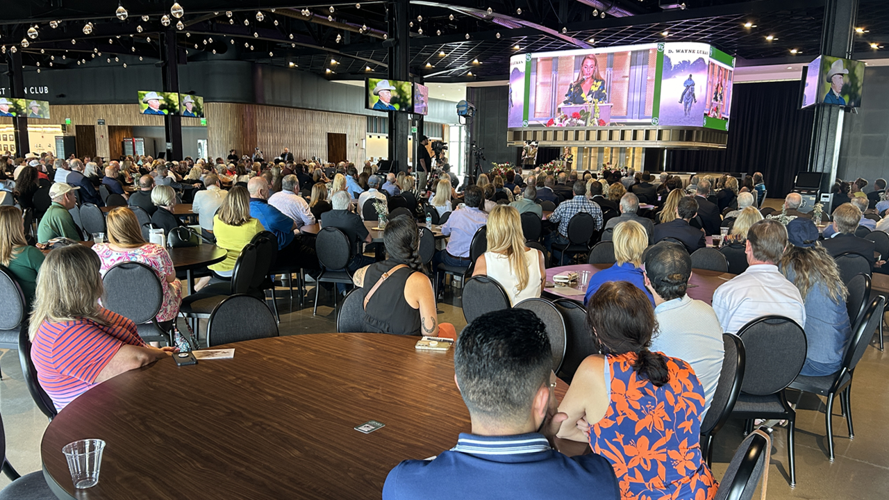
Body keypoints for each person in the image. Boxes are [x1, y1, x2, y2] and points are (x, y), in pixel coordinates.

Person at [383, 309, 620, 500]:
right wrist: (547, 447)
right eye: (552, 386)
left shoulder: (404, 484)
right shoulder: (598, 481)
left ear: (460, 384)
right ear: (541, 401)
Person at [557, 281, 717, 500]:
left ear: (596, 331)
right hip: (699, 492)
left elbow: (561, 428)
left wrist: (599, 434)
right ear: (650, 324)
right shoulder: (684, 369)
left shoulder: (595, 370)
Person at [29, 245, 175, 411]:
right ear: (83, 283)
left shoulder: (73, 315)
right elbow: (135, 359)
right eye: (96, 273)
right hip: (98, 418)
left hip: (113, 403)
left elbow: (124, 346)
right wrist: (160, 354)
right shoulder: (64, 334)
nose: (100, 276)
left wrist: (153, 351)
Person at [644, 241, 725, 419]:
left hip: (666, 426)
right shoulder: (708, 311)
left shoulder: (651, 327)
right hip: (701, 418)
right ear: (689, 278)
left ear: (646, 280)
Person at [780, 218, 852, 377]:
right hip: (839, 353)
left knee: (754, 349)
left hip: (815, 361)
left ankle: (765, 397)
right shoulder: (825, 264)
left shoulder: (787, 268)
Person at [353, 216, 442, 336]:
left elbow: (355, 277)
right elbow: (430, 333)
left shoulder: (368, 271)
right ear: (416, 244)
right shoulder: (420, 281)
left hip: (371, 348)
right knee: (448, 328)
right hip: (405, 352)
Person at [712, 219, 806, 334]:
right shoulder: (795, 294)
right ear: (783, 251)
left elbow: (715, 339)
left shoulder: (727, 291)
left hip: (738, 351)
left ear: (747, 246)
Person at [93, 208, 181, 325]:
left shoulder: (98, 251)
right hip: (156, 316)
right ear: (135, 225)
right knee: (177, 283)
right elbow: (171, 278)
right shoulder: (156, 251)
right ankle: (158, 340)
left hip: (112, 315)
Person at [472, 206, 544, 305]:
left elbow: (475, 297)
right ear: (518, 227)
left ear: (491, 230)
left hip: (498, 318)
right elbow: (540, 289)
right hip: (531, 317)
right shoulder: (538, 256)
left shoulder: (485, 261)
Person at [248, 177, 318, 271]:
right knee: (316, 256)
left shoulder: (247, 208)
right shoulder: (267, 211)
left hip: (259, 253)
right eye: (267, 188)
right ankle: (332, 284)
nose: (270, 189)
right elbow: (293, 225)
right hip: (282, 252)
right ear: (261, 192)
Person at [584, 220, 653, 306]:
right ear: (644, 245)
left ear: (616, 245)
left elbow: (589, 312)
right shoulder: (652, 287)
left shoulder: (597, 279)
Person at [433, 186, 488, 291]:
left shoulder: (456, 214)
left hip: (451, 258)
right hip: (473, 261)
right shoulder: (486, 219)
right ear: (481, 200)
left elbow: (444, 231)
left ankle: (438, 287)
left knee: (435, 257)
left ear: (465, 199)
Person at [546, 180, 603, 259]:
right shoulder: (596, 206)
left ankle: (565, 260)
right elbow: (599, 226)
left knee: (546, 239)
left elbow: (553, 219)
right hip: (585, 241)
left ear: (573, 192)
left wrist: (548, 216)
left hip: (565, 241)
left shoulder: (564, 205)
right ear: (586, 191)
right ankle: (570, 259)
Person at [0, 206, 44, 305]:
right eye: (22, 222)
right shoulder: (29, 254)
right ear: (17, 227)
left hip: (5, 314)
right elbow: (54, 283)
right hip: (35, 311)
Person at [821, 202, 876, 270]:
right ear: (857, 225)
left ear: (835, 225)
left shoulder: (823, 247)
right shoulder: (869, 246)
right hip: (859, 280)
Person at [191, 174, 227, 241]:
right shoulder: (227, 193)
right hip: (224, 229)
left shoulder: (199, 194)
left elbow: (195, 210)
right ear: (217, 182)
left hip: (207, 230)